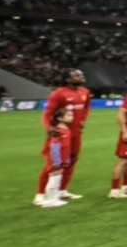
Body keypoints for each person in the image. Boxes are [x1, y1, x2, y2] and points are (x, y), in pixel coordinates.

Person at [37, 69, 90, 204]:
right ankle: (40, 194)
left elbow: (86, 108)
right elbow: (47, 114)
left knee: (70, 162)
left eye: (81, 74)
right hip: (60, 135)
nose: (81, 76)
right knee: (52, 165)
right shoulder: (58, 93)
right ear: (67, 79)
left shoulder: (85, 92)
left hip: (76, 134)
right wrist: (50, 129)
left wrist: (82, 120)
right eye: (77, 75)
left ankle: (62, 190)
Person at [37, 106, 75, 208]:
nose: (72, 117)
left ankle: (55, 199)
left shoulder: (67, 129)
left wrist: (67, 159)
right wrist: (56, 161)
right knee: (53, 179)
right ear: (59, 118)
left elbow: (67, 146)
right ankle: (49, 201)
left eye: (72, 115)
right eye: (68, 115)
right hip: (56, 160)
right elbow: (54, 146)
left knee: (57, 178)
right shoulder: (57, 131)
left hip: (62, 159)